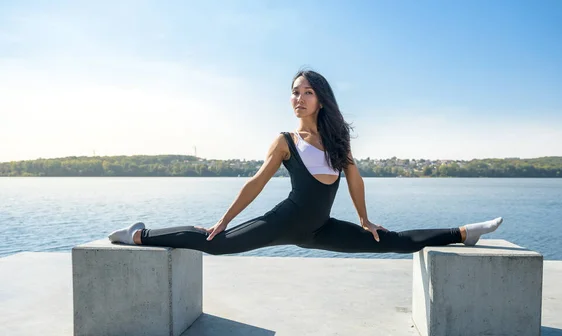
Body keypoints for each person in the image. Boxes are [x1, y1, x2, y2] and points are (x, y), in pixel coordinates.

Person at [108, 69, 503, 255]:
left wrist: (365, 219)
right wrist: (224, 219)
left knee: (391, 242)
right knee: (214, 244)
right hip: (282, 221)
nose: (299, 98)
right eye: (295, 92)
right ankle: (140, 235)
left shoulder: (337, 140)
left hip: (320, 229)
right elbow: (257, 183)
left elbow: (355, 182)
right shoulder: (285, 141)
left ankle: (463, 232)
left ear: (321, 98)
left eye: (308, 91)